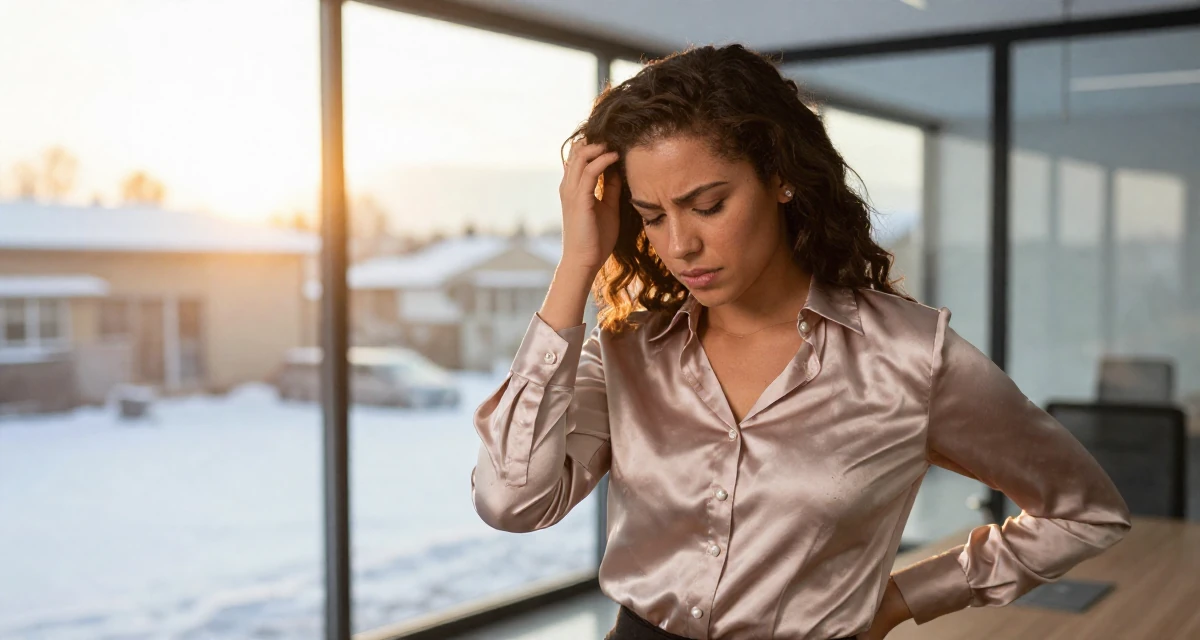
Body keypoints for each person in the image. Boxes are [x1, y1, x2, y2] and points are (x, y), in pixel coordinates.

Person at [469, 44, 1131, 640]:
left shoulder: (909, 357)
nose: (680, 245)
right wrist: (575, 266)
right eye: (652, 216)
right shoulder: (627, 351)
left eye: (708, 205)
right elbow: (511, 501)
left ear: (780, 178)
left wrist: (904, 597)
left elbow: (1085, 512)